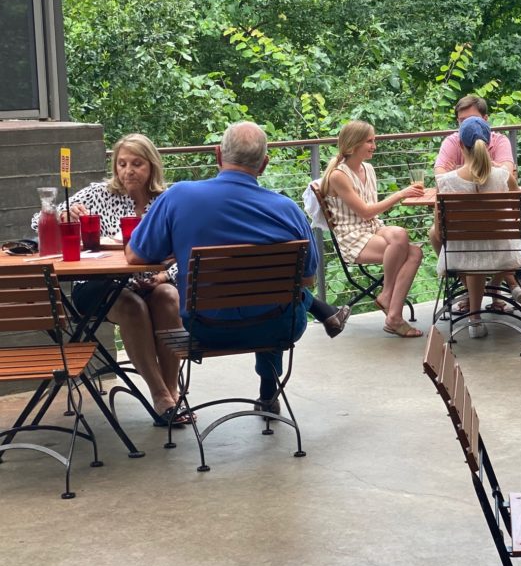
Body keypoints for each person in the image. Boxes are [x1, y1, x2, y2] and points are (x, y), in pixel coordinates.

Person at [126, 122, 321, 414]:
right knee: (285, 301)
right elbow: (307, 280)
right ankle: (269, 389)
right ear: (264, 164)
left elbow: (134, 256)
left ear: (218, 154)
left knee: (277, 302)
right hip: (275, 328)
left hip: (206, 330)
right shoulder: (288, 210)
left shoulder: (179, 197)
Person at [31, 133, 184, 423]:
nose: (128, 171)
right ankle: (160, 397)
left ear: (151, 165)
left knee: (169, 296)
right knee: (131, 306)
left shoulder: (166, 201)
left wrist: (165, 275)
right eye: (122, 164)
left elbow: (186, 248)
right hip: (98, 285)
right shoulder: (99, 194)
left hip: (150, 281)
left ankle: (171, 392)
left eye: (136, 163)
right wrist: (64, 215)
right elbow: (38, 221)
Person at [320, 121, 426, 337]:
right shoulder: (338, 176)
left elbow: (371, 217)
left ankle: (389, 304)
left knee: (402, 236)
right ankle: (392, 312)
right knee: (413, 253)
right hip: (353, 236)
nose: (374, 146)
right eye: (369, 141)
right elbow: (366, 212)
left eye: (374, 140)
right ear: (353, 145)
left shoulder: (368, 169)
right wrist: (400, 194)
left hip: (373, 227)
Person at [431, 95, 521, 313]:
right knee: (520, 231)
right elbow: (520, 204)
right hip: (504, 247)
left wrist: (460, 171)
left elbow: (439, 229)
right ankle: (507, 286)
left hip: (461, 249)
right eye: (461, 121)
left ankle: (476, 300)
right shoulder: (503, 176)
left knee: (452, 237)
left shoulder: (445, 182)